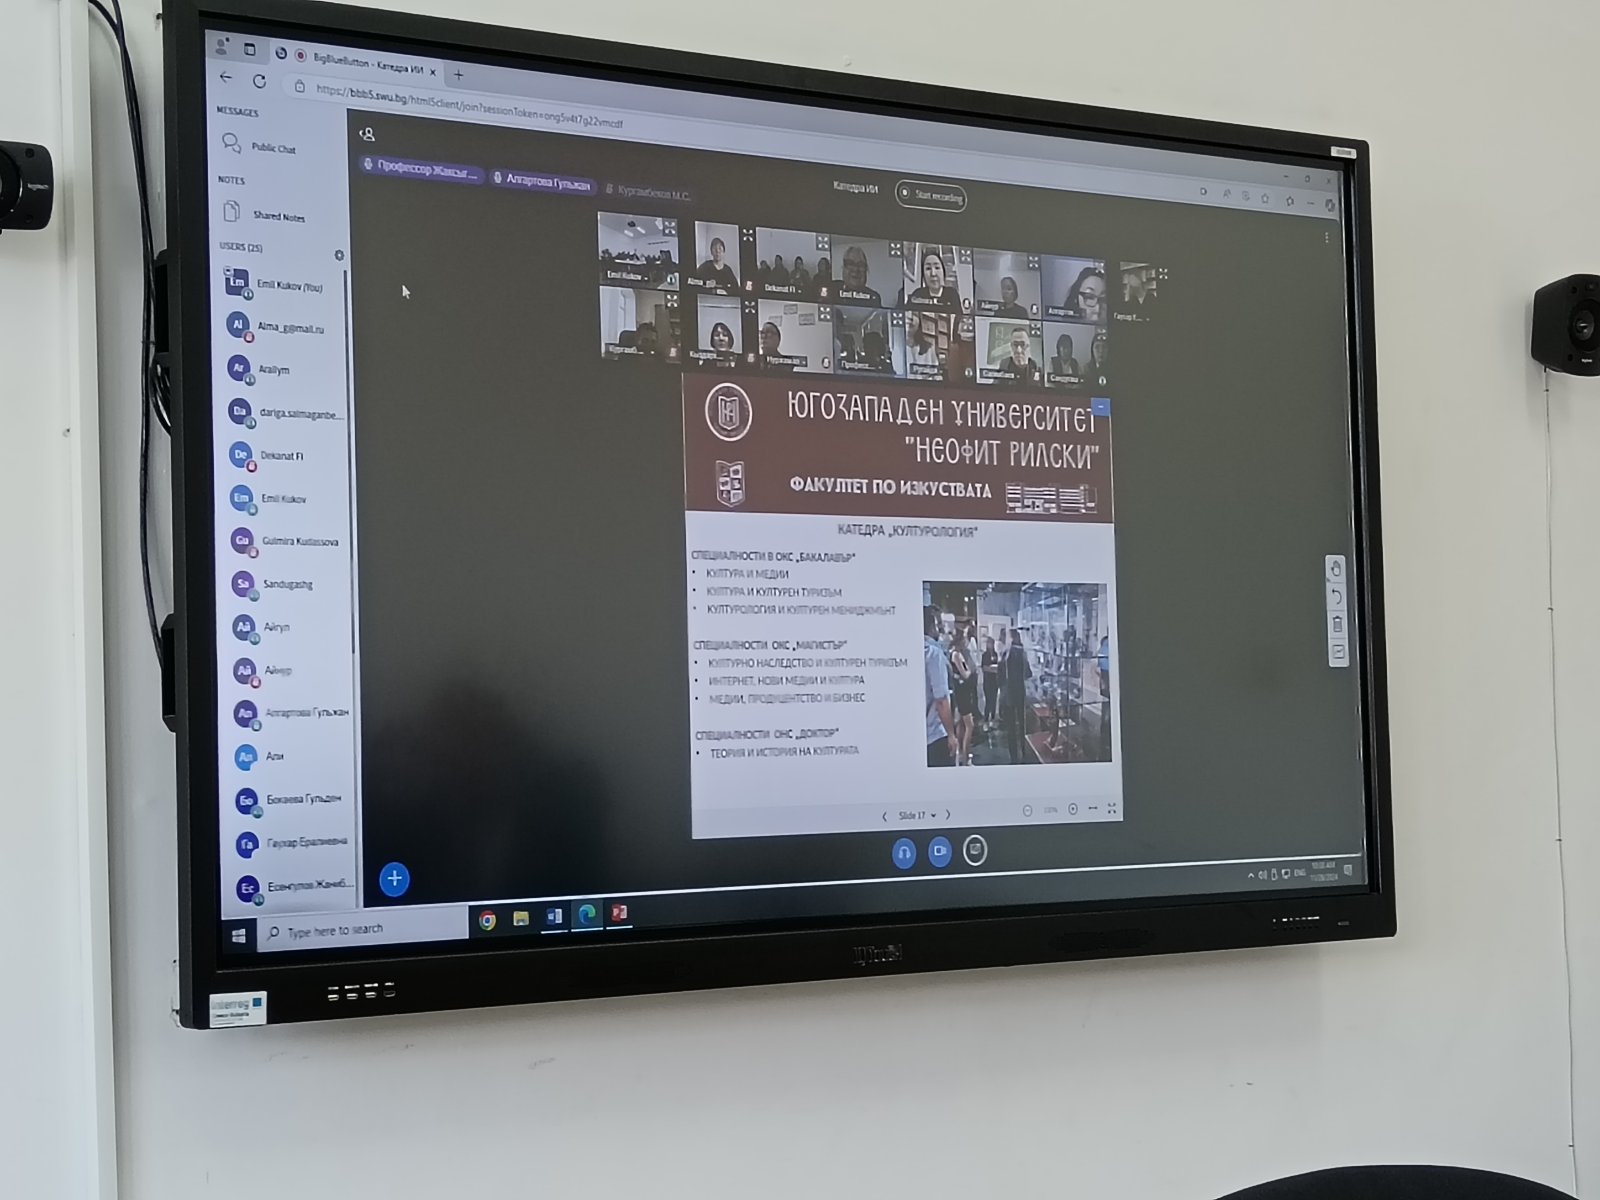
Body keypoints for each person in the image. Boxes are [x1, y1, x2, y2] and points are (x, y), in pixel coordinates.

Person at [924, 606, 958, 767]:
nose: (941, 629)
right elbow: (941, 700)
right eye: (939, 625)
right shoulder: (933, 653)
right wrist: (951, 734)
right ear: (932, 627)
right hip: (935, 734)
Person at [999, 628, 1033, 764]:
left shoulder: (1005, 654)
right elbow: (1028, 673)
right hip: (1019, 691)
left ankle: (1013, 756)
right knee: (1022, 723)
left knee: (1011, 727)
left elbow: (1000, 676)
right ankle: (1024, 752)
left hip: (1008, 693)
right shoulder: (1022, 653)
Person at [949, 627, 978, 765]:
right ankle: (966, 758)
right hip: (962, 693)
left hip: (962, 691)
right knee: (970, 725)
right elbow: (965, 674)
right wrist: (971, 671)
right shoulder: (956, 655)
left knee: (961, 723)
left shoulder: (957, 653)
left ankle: (961, 754)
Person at [981, 635, 1000, 724]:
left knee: (994, 700)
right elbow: (984, 668)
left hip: (994, 681)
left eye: (992, 643)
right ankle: (986, 718)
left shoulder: (995, 654)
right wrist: (992, 669)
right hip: (987, 681)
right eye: (989, 643)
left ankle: (993, 717)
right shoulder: (985, 655)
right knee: (988, 700)